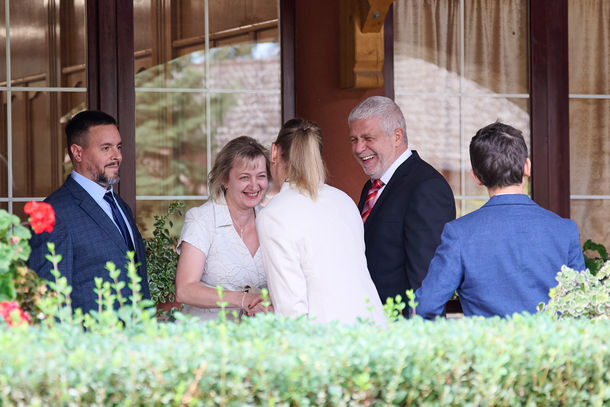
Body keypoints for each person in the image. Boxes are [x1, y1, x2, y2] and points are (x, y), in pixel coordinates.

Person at [415, 122, 586, 318]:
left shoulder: (459, 233)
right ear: (527, 166)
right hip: (552, 338)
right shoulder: (564, 230)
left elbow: (426, 306)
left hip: (487, 339)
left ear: (476, 177)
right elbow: (582, 305)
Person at [256, 118, 386, 325]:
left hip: (326, 334)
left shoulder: (273, 215)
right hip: (372, 325)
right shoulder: (344, 200)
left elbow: (291, 307)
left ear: (274, 152)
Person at [28, 110, 150, 313]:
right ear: (77, 153)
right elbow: (49, 302)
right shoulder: (52, 213)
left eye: (119, 147)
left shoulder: (120, 205)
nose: (117, 156)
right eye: (106, 148)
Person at [348, 96, 456, 306]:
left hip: (401, 323)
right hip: (370, 319)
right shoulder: (372, 186)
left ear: (397, 136)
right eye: (354, 139)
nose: (359, 148)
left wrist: (417, 325)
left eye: (368, 138)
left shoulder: (426, 187)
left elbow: (427, 280)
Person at [175, 136, 271, 321]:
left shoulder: (270, 221)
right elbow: (185, 290)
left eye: (261, 176)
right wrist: (243, 299)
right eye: (244, 177)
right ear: (225, 179)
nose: (254, 185)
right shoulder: (201, 219)